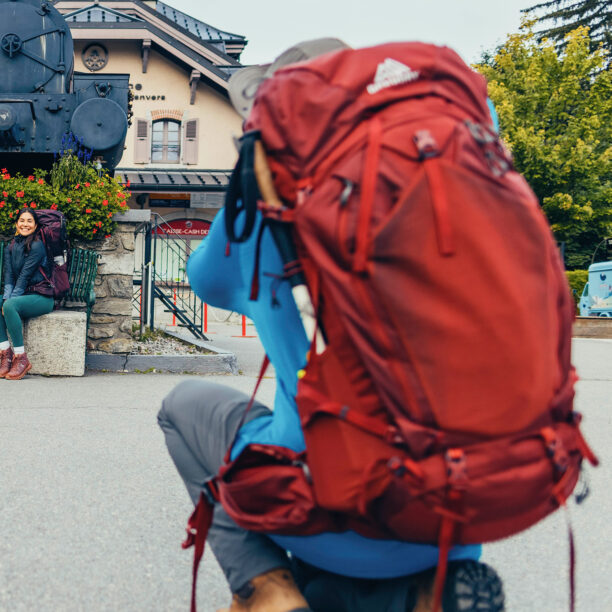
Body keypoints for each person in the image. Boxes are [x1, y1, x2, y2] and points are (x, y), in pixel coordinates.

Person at [158, 40, 504, 612]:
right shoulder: (468, 212)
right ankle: (435, 587)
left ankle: (265, 584)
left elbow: (207, 282)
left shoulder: (261, 221)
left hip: (314, 512)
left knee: (182, 405)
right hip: (449, 523)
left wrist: (254, 174)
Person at [0, 208, 54, 380]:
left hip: (42, 297)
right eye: (22, 220)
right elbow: (8, 276)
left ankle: (21, 357)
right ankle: (5, 353)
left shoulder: (37, 245)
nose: (25, 224)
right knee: (3, 301)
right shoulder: (11, 246)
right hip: (23, 296)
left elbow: (24, 277)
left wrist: (9, 302)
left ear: (36, 225)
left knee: (8, 305)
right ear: (16, 223)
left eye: (29, 221)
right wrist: (6, 298)